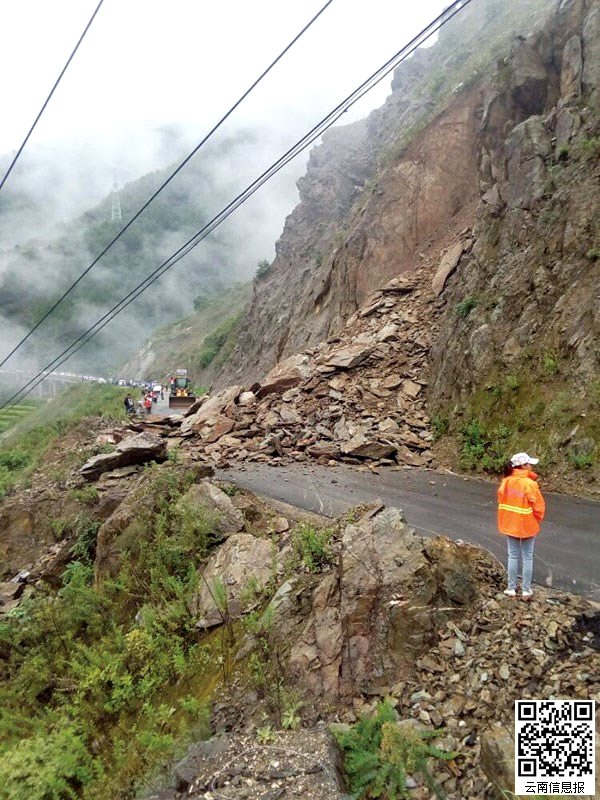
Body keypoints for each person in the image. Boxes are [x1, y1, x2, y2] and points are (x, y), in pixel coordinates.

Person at [497, 452, 546, 599]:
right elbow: (539, 506)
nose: (531, 466)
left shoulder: (506, 481)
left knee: (512, 555)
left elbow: (501, 499)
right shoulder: (530, 484)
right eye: (529, 464)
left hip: (510, 523)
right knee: (527, 557)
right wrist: (537, 519)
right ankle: (526, 590)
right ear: (523, 466)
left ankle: (511, 588)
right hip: (527, 525)